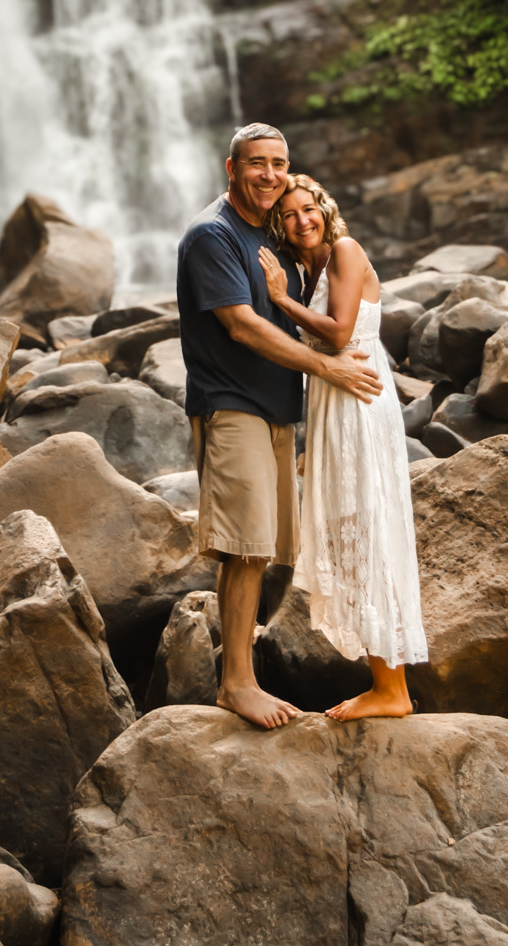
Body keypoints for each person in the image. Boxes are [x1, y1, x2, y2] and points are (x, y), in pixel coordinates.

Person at [176, 124, 384, 730]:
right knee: (243, 545)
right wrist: (328, 368)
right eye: (257, 164)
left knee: (263, 548)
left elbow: (329, 310)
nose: (269, 174)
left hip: (276, 409)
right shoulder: (212, 235)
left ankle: (243, 673)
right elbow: (241, 325)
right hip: (231, 401)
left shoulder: (271, 234)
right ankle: (236, 683)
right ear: (231, 167)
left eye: (279, 164)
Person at [258, 172, 427, 719]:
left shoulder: (346, 252)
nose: (301, 219)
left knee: (368, 531)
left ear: (324, 209)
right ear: (280, 225)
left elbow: (337, 331)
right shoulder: (309, 268)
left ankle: (391, 690)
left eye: (308, 208)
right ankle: (386, 682)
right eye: (289, 214)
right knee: (348, 532)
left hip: (359, 402)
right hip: (333, 407)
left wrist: (281, 300)